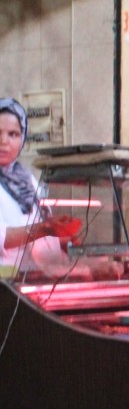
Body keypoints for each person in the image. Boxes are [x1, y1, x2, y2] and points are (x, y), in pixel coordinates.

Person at [0, 97, 90, 277]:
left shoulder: (27, 180)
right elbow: (3, 237)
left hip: (31, 278)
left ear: (23, 138)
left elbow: (38, 228)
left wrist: (60, 239)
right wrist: (45, 229)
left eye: (13, 134)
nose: (4, 141)